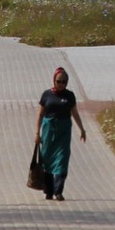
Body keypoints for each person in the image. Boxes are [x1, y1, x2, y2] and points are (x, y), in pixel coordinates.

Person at [35, 65, 86, 201]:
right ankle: (49, 191)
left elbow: (74, 113)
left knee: (62, 160)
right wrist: (37, 133)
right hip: (48, 131)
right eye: (59, 81)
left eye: (64, 82)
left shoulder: (70, 96)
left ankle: (58, 191)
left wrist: (82, 129)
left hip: (64, 131)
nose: (61, 84)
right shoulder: (47, 95)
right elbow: (40, 115)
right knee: (47, 160)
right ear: (54, 81)